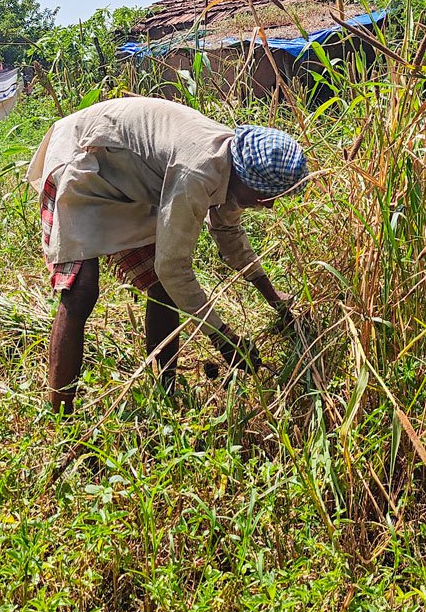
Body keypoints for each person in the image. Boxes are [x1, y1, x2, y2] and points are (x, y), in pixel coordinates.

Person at [26, 96, 308, 414]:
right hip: (84, 158)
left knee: (163, 291)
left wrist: (274, 299)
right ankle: (61, 416)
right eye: (266, 195)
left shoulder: (234, 170)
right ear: (245, 177)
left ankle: (165, 394)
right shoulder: (197, 171)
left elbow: (229, 236)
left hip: (127, 178)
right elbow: (173, 267)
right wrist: (223, 337)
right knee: (81, 292)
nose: (268, 205)